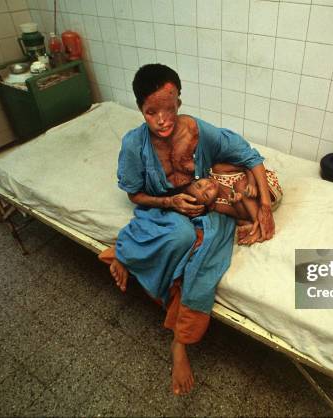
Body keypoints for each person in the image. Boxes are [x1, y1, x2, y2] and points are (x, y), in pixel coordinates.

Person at [98, 64, 275, 396]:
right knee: (179, 236)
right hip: (163, 208)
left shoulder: (196, 131)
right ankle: (124, 252)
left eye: (169, 108)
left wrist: (264, 205)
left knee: (208, 255)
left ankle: (180, 343)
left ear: (178, 102)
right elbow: (133, 193)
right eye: (152, 112)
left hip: (206, 205)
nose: (162, 119)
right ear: (141, 110)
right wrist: (170, 203)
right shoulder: (134, 145)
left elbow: (249, 155)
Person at [183, 163, 282, 245]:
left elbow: (248, 166)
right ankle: (257, 224)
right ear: (209, 205)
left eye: (199, 185)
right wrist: (236, 203)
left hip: (267, 189)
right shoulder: (218, 205)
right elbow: (242, 215)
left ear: (195, 180)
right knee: (239, 219)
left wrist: (251, 183)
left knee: (239, 185)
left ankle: (258, 226)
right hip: (258, 208)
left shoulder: (217, 169)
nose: (207, 187)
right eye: (206, 195)